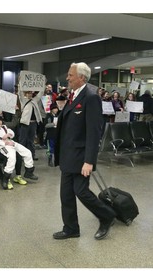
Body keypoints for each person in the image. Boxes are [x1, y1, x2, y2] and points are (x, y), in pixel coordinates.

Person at [53, 62, 116, 240]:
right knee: (65, 195)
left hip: (81, 157)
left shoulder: (90, 97)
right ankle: (71, 228)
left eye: (70, 75)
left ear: (81, 77)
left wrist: (89, 161)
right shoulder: (72, 96)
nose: (67, 78)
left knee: (81, 192)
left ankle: (107, 215)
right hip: (67, 155)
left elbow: (94, 132)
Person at [0, 115, 38, 190]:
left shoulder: (4, 127)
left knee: (27, 152)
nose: (0, 122)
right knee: (12, 157)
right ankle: (5, 179)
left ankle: (29, 171)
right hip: (2, 146)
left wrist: (9, 135)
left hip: (11, 142)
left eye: (0, 120)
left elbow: (12, 133)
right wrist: (4, 141)